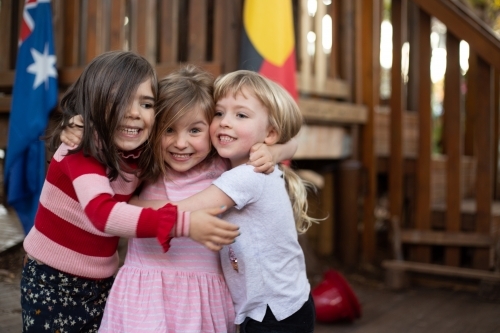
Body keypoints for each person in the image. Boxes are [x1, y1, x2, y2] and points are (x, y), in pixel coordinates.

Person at [60, 65, 297, 332]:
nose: (180, 143)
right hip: (144, 298)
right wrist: (78, 128)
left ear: (212, 129)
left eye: (195, 131)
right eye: (169, 130)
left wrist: (274, 150)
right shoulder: (144, 164)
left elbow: (294, 141)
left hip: (201, 301)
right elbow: (106, 153)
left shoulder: (222, 166)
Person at [20, 51, 239, 333]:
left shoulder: (138, 150)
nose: (134, 112)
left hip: (101, 281)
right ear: (94, 104)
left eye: (146, 104)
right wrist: (182, 222)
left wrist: (273, 150)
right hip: (52, 280)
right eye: (119, 101)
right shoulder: (81, 151)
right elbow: (103, 214)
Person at [134, 70, 318, 333]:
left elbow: (179, 211)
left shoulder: (247, 176)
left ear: (270, 133)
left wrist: (125, 207)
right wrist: (278, 149)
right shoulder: (240, 166)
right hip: (277, 306)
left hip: (274, 314)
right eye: (219, 113)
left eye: (240, 115)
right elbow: (290, 144)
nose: (225, 123)